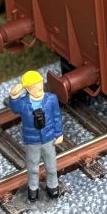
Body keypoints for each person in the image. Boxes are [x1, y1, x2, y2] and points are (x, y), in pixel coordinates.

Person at [6, 70, 64, 202]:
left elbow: (56, 117)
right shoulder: (23, 103)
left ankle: (53, 186)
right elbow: (14, 108)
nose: (39, 89)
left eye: (40, 85)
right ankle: (33, 189)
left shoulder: (51, 99)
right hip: (32, 142)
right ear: (27, 89)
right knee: (33, 168)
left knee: (51, 167)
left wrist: (58, 133)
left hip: (48, 139)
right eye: (34, 87)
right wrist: (13, 96)